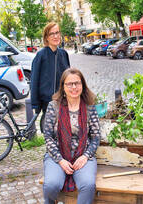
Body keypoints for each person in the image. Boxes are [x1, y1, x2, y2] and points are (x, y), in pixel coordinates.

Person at [43, 68, 101, 204]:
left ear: (83, 85)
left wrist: (86, 156)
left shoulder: (90, 107)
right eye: (69, 84)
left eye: (77, 83)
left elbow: (96, 136)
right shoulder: (53, 106)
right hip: (58, 155)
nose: (74, 87)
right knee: (51, 185)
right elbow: (48, 136)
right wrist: (60, 160)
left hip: (83, 156)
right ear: (63, 87)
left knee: (88, 185)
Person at [30, 22, 70, 129]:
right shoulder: (41, 55)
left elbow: (69, 77)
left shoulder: (63, 54)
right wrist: (35, 103)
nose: (56, 36)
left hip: (63, 100)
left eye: (57, 32)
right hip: (48, 102)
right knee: (51, 132)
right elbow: (34, 80)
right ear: (46, 37)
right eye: (52, 34)